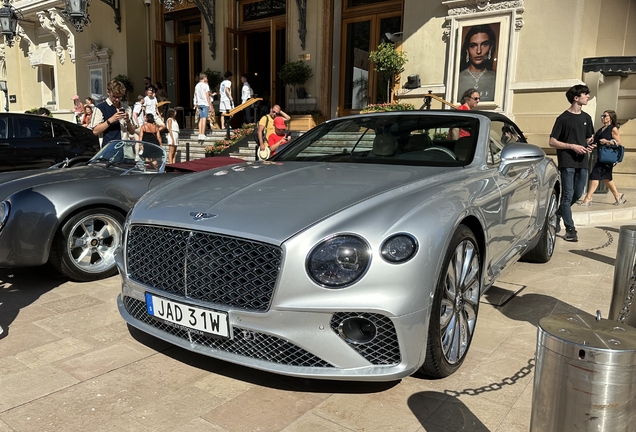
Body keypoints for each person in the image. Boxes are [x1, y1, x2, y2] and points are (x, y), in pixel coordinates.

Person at [549, 84, 595, 242]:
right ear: (576, 98)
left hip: (582, 162)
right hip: (567, 162)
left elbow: (588, 137)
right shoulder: (563, 118)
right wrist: (571, 146)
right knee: (567, 196)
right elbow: (552, 141)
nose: (588, 96)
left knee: (578, 194)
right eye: (585, 94)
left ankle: (557, 216)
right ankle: (570, 229)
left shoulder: (587, 118)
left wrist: (592, 143)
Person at [579, 110, 626, 206]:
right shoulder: (601, 130)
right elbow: (595, 142)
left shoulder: (613, 129)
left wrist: (607, 141)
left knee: (594, 175)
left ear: (610, 117)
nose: (602, 118)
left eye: (605, 116)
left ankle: (588, 198)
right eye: (602, 116)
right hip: (601, 156)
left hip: (608, 157)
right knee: (606, 177)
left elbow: (619, 142)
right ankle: (618, 195)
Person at [89, 79, 136, 146]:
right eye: (114, 96)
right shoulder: (100, 108)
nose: (117, 99)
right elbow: (95, 131)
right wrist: (111, 120)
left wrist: (128, 121)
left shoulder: (127, 108)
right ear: (108, 92)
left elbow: (132, 131)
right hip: (108, 149)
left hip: (125, 148)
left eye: (119, 97)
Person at [457, 25, 497, 102]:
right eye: (473, 46)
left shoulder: (496, 78)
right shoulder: (458, 78)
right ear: (467, 49)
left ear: (490, 47)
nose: (479, 51)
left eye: (484, 44)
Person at [193, 72, 215, 140]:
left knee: (201, 118)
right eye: (206, 77)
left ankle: (200, 134)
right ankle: (202, 134)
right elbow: (207, 96)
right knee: (204, 118)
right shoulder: (206, 86)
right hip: (205, 103)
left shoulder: (197, 86)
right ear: (204, 78)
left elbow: (196, 95)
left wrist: (196, 103)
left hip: (199, 103)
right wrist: (210, 105)